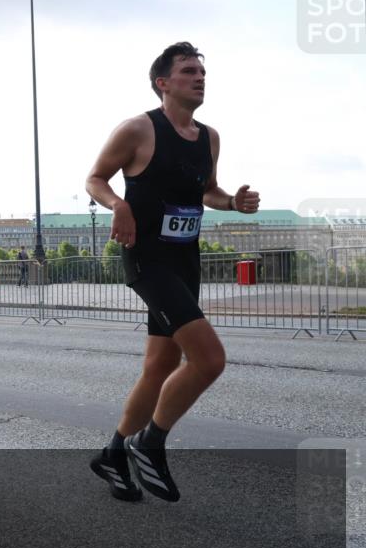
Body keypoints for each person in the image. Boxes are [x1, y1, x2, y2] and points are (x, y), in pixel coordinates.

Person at [85, 42, 260, 502]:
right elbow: (95, 178)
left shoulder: (209, 137)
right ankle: (151, 441)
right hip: (147, 258)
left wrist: (232, 204)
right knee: (209, 359)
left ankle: (112, 453)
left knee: (160, 363)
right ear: (163, 83)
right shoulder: (139, 129)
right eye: (188, 71)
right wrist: (119, 205)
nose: (199, 78)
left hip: (185, 259)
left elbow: (208, 192)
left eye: (202, 71)